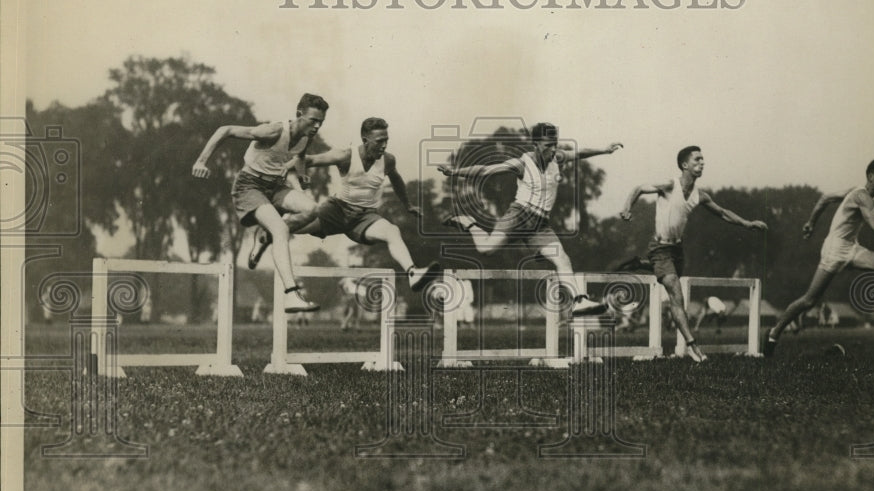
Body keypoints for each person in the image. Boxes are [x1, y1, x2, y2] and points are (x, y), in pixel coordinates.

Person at [763, 157, 874, 357]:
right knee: (809, 301)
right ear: (870, 175)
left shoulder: (855, 191)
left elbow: (825, 199)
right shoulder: (862, 196)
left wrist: (811, 223)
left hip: (850, 247)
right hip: (834, 250)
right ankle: (773, 332)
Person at [439, 122, 622, 317]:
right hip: (519, 215)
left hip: (540, 225)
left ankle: (579, 300)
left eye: (555, 144)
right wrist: (455, 172)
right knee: (486, 249)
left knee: (562, 259)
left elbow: (579, 153)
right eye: (547, 145)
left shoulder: (557, 158)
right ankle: (469, 223)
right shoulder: (522, 164)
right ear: (535, 144)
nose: (552, 150)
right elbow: (485, 170)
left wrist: (605, 150)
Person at [252, 117, 441, 293]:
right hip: (337, 211)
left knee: (392, 231)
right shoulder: (345, 156)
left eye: (386, 140)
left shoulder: (388, 160)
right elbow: (309, 160)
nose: (383, 146)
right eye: (379, 141)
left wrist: (408, 205)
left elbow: (397, 179)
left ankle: (413, 273)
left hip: (365, 217)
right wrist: (281, 170)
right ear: (365, 140)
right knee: (289, 228)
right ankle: (265, 236)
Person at [620, 145, 768, 362]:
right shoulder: (670, 185)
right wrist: (627, 208)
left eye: (703, 160)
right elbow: (638, 188)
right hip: (660, 248)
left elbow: (723, 213)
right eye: (697, 160)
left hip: (677, 250)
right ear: (684, 165)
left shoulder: (700, 195)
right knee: (676, 296)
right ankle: (691, 345)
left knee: (668, 279)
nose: (702, 163)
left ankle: (642, 264)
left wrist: (747, 223)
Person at [192, 92, 327, 313]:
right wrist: (201, 160)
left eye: (321, 122)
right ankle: (291, 294)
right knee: (281, 230)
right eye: (313, 120)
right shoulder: (273, 131)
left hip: (276, 186)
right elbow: (225, 130)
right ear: (299, 114)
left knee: (313, 209)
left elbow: (300, 155)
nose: (317, 126)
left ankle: (265, 236)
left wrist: (302, 177)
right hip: (249, 186)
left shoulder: (306, 136)